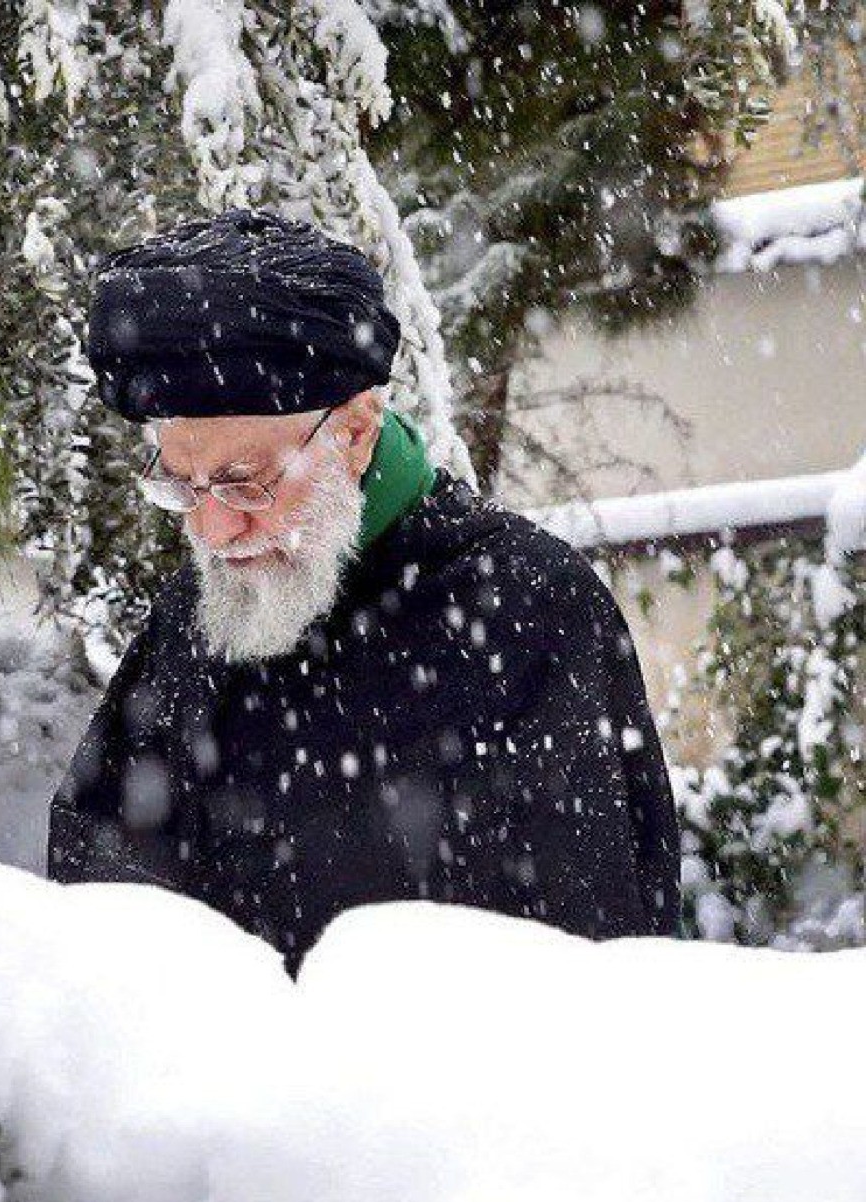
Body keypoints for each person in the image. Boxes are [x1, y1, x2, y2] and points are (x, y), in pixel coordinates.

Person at [47, 208, 682, 976]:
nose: (212, 530)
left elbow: (596, 965)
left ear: (352, 431)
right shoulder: (203, 617)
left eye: (244, 483)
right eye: (183, 486)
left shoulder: (527, 610)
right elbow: (95, 905)